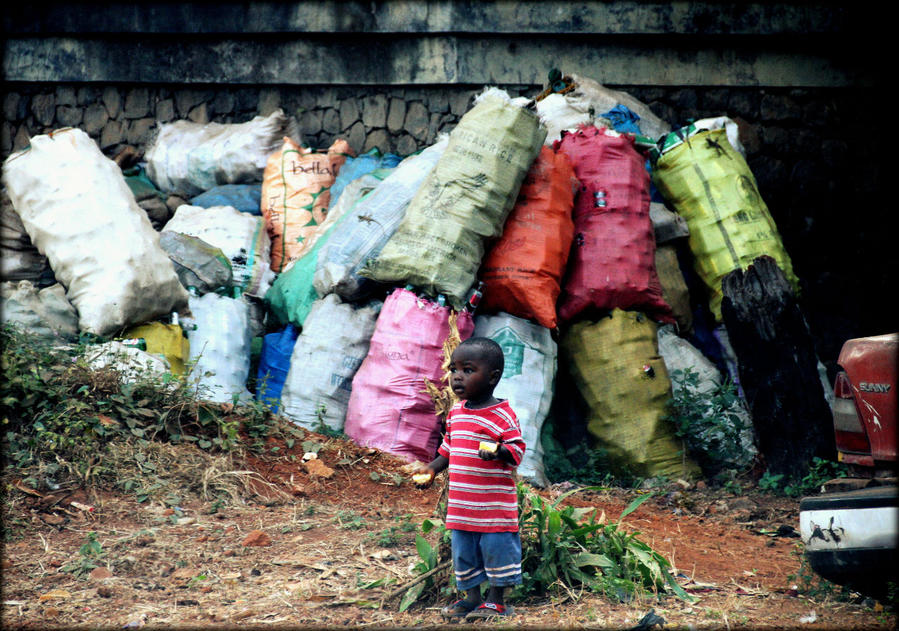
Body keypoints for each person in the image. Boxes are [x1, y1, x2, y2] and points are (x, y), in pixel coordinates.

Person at [413, 336, 526, 621]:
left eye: (467, 370)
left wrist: (499, 451)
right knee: (464, 554)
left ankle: (496, 601)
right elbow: (448, 450)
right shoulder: (456, 414)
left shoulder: (502, 416)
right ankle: (472, 599)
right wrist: (431, 469)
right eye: (454, 370)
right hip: (462, 508)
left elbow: (517, 451)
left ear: (492, 377)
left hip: (494, 509)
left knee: (496, 552)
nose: (457, 377)